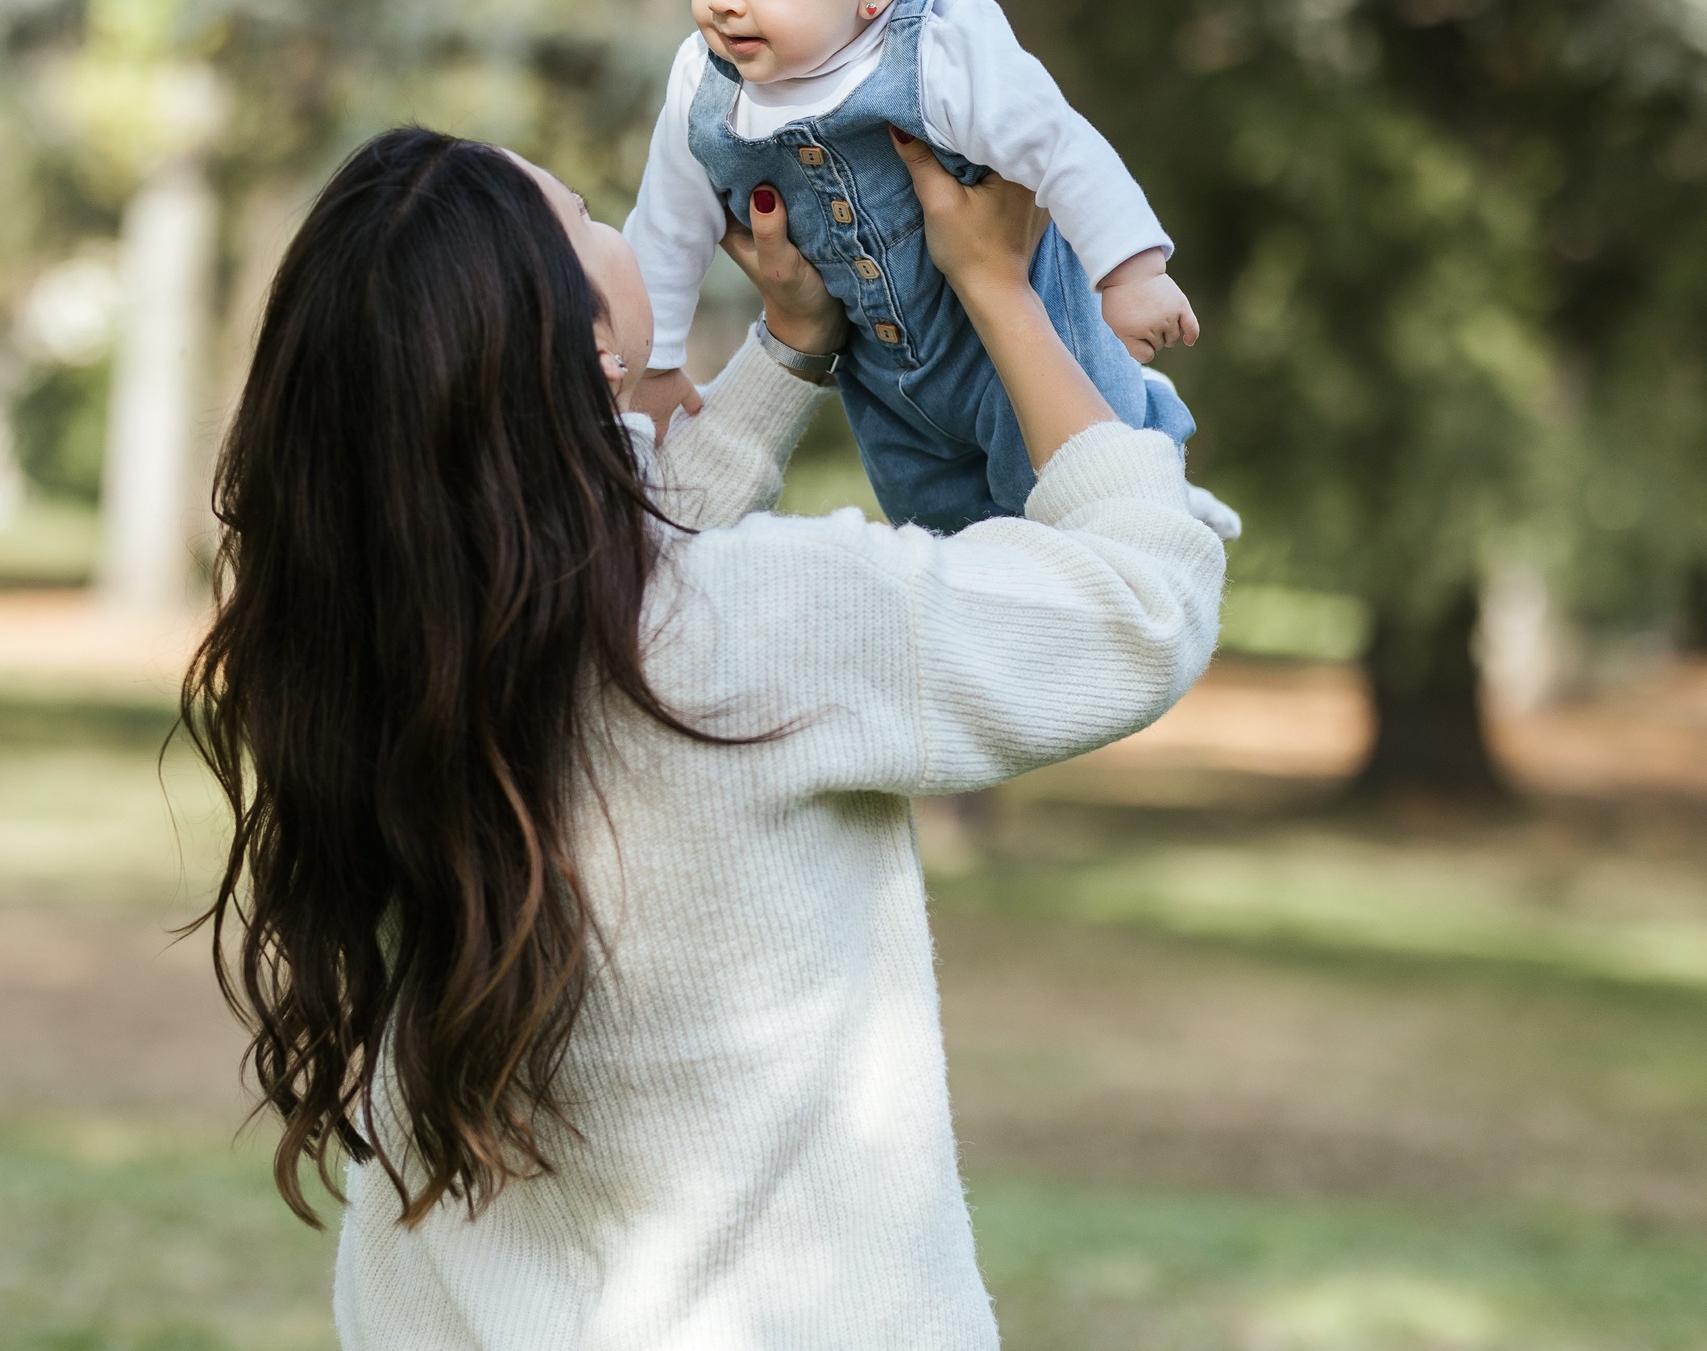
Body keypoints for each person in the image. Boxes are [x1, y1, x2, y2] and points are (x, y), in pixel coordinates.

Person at [186, 122, 1232, 1349]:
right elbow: (1137, 607)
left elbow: (607, 564)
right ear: (582, 337)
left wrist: (789, 349)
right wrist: (998, 290)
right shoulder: (772, 625)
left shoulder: (360, 672)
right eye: (585, 219)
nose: (618, 231)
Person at [624, 0, 1199, 535]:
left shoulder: (938, 41)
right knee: (948, 547)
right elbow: (665, 228)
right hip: (887, 393)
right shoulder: (705, 85)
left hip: (1025, 352)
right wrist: (658, 367)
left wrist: (1132, 271)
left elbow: (1059, 142)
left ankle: (1168, 487)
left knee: (1083, 518)